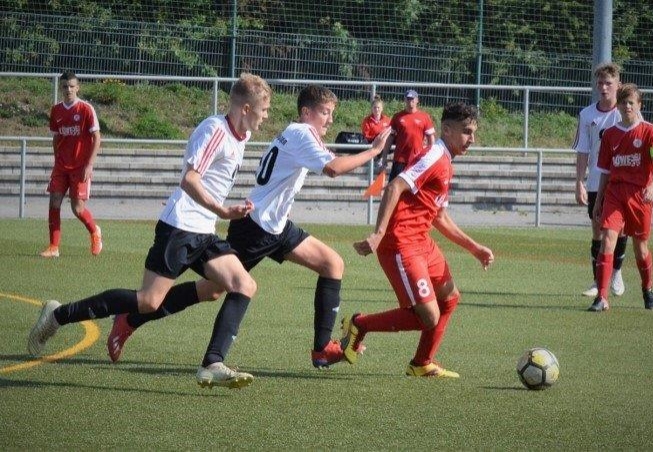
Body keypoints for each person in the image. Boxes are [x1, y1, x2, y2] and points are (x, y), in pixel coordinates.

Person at [107, 85, 392, 369]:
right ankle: (134, 319)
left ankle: (322, 350)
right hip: (255, 229)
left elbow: (329, 162)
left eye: (331, 114)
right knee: (212, 290)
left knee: (332, 264)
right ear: (306, 113)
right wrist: (374, 150)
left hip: (275, 227)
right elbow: (334, 168)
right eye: (325, 113)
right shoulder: (303, 133)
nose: (330, 120)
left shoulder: (299, 133)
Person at [27, 73, 272, 389]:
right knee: (148, 301)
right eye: (264, 110)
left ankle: (212, 363)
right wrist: (223, 211)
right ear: (246, 108)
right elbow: (190, 179)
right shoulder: (215, 130)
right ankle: (59, 315)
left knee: (239, 285)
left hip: (204, 231)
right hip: (180, 227)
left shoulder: (242, 136)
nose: (266, 117)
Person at [340, 102, 494, 377]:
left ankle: (422, 362)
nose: (472, 138)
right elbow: (394, 186)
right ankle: (359, 324)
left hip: (421, 241)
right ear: (447, 130)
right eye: (466, 131)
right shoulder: (434, 156)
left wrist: (474, 248)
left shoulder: (446, 162)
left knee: (450, 297)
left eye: (473, 132)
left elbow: (439, 217)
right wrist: (378, 234)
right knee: (428, 316)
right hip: (401, 242)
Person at [588, 83, 653, 312]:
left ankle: (647, 289)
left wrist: (652, 187)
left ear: (639, 105)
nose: (627, 106)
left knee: (640, 248)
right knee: (608, 239)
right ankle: (602, 297)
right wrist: (599, 201)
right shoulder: (610, 135)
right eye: (623, 102)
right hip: (615, 194)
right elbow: (605, 172)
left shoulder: (650, 131)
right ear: (618, 106)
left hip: (640, 196)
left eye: (631, 102)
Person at [572, 62, 629, 298]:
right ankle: (598, 280)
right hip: (596, 181)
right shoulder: (587, 114)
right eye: (600, 83)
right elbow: (583, 150)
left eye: (608, 83)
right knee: (597, 230)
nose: (603, 88)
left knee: (620, 230)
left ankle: (616, 272)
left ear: (618, 85)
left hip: (622, 183)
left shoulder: (626, 113)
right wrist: (579, 182)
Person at [41, 70, 103, 258]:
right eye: (65, 87)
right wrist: (56, 160)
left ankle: (95, 231)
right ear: (61, 88)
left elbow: (97, 138)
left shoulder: (85, 109)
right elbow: (56, 137)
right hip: (61, 166)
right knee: (54, 202)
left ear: (77, 88)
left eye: (71, 86)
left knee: (77, 209)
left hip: (80, 167)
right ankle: (54, 247)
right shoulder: (56, 110)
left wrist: (89, 165)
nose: (68, 89)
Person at [380, 89, 435, 181]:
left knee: (414, 187)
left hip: (417, 160)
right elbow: (390, 137)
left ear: (417, 100)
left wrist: (431, 156)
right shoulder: (397, 117)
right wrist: (384, 156)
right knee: (395, 186)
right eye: (408, 99)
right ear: (405, 100)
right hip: (400, 160)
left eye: (412, 99)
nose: (410, 102)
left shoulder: (424, 117)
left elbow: (431, 138)